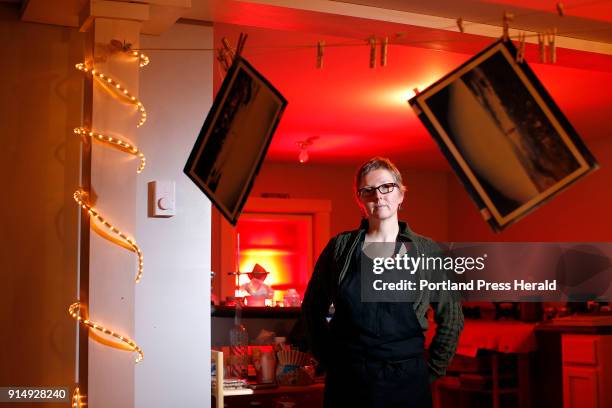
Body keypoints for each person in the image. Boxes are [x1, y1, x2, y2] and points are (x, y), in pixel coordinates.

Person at [302, 157, 463, 408]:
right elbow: (312, 309)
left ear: (401, 194)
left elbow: (452, 317)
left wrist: (431, 370)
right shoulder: (340, 247)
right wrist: (330, 360)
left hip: (408, 382)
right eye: (368, 190)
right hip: (349, 381)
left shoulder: (427, 251)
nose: (378, 196)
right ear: (360, 199)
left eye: (386, 187)